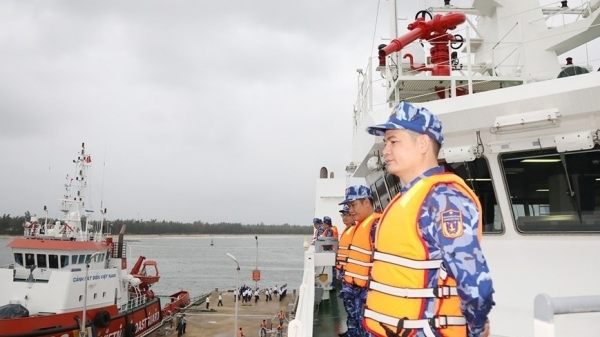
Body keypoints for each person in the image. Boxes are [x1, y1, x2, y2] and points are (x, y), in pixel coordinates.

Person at [362, 101, 494, 337]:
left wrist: (475, 330)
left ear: (422, 143)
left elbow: (474, 281)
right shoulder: (411, 195)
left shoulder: (444, 199)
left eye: (393, 141)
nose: (385, 151)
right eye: (385, 143)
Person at [337, 185, 380, 337]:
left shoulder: (376, 226)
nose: (351, 210)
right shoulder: (359, 226)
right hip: (355, 288)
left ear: (367, 202)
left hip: (368, 293)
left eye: (353, 205)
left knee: (368, 330)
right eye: (349, 206)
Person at [335, 204, 355, 284]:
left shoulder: (355, 231)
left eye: (348, 215)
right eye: (343, 215)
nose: (345, 217)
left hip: (350, 271)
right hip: (344, 270)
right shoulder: (347, 230)